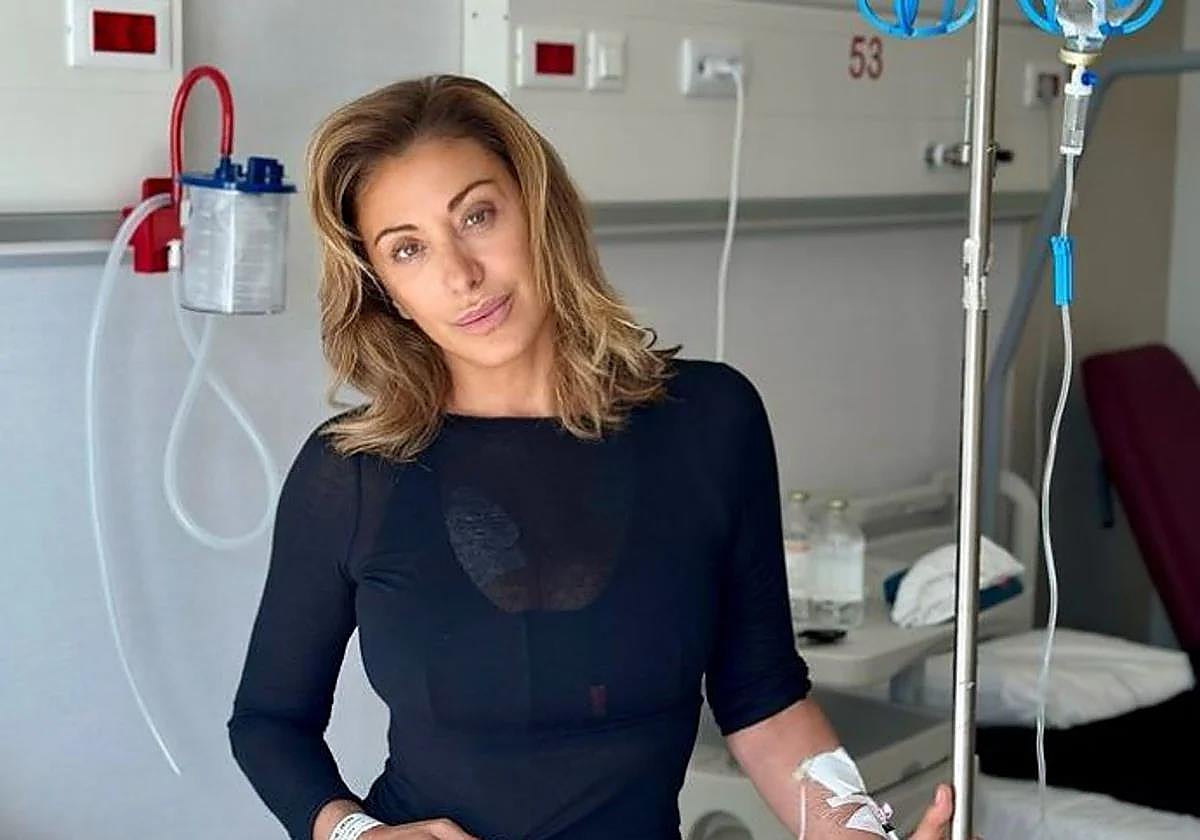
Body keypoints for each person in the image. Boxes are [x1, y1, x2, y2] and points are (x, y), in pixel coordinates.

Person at [226, 74, 956, 840]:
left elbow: (764, 702)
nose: (460, 274)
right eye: (408, 249)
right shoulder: (352, 474)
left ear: (541, 212)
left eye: (477, 215)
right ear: (386, 291)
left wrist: (863, 833)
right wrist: (355, 833)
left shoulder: (710, 422)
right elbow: (270, 721)